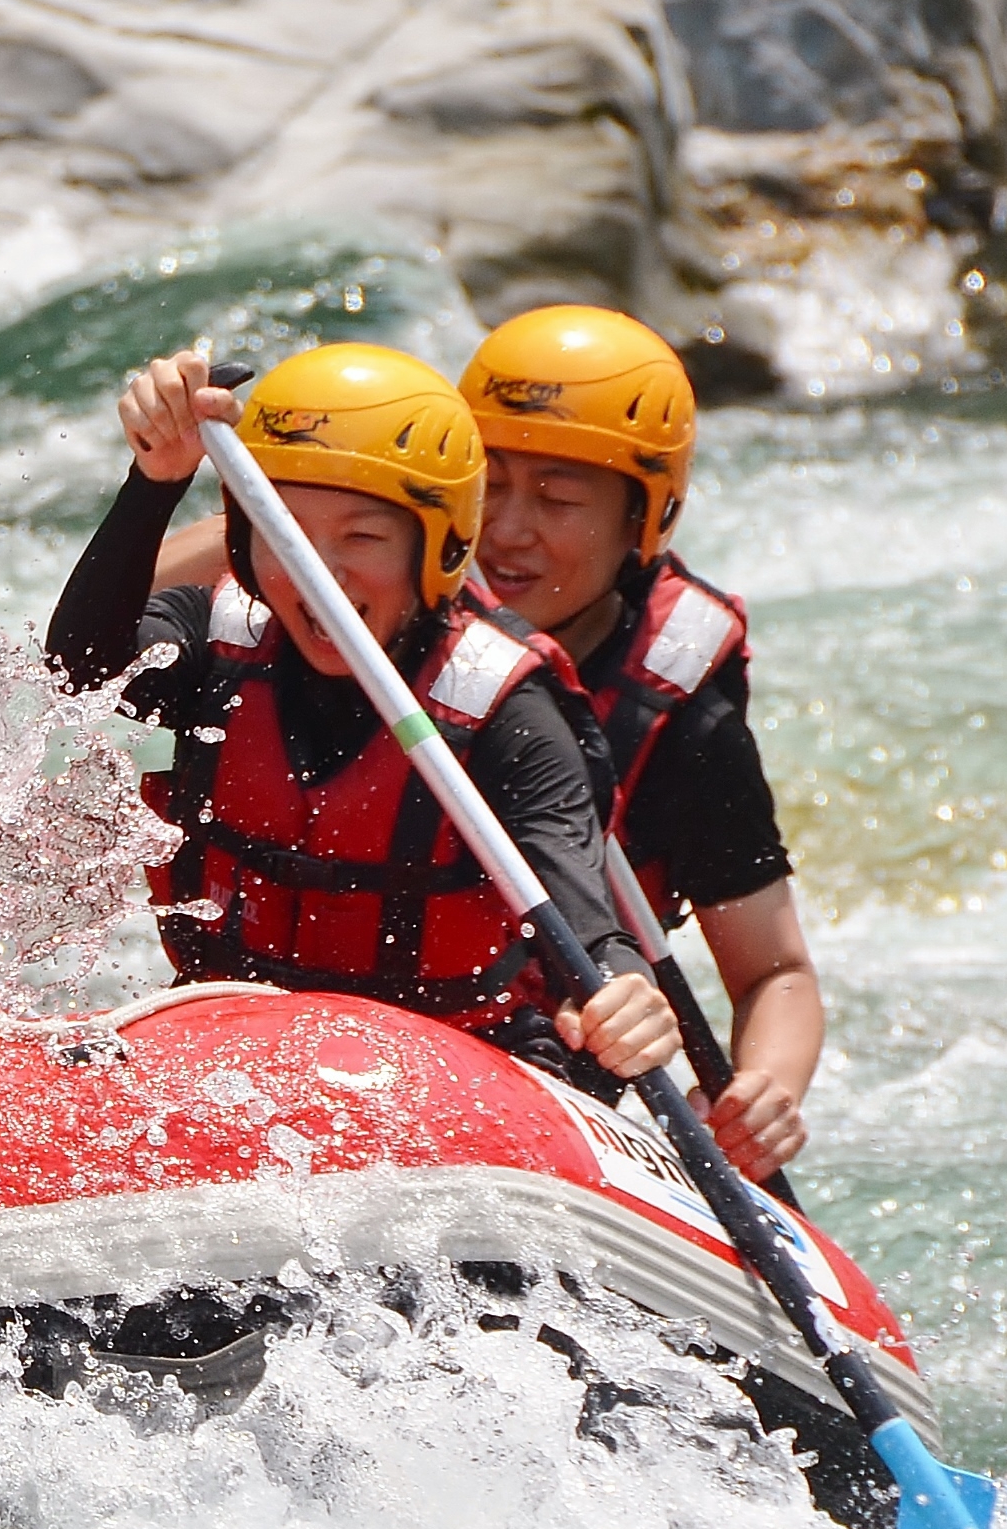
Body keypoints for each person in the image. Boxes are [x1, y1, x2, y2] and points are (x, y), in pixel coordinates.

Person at [44, 343, 679, 1088]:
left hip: (454, 1075)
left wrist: (624, 987)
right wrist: (157, 480)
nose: (322, 575)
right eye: (290, 536)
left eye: (362, 539)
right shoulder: (215, 642)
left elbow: (576, 900)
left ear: (437, 549)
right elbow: (78, 672)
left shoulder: (509, 711)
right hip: (237, 1048)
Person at [456, 307, 819, 1180]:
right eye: (488, 484)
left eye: (556, 498)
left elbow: (776, 973)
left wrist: (766, 1091)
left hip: (538, 1078)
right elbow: (97, 642)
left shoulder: (686, 726)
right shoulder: (369, 613)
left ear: (640, 522)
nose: (506, 529)